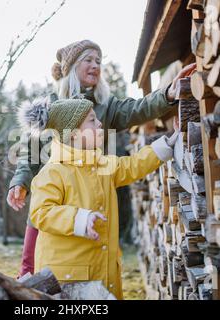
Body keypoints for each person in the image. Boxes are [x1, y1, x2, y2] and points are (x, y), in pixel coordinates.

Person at [8, 39, 196, 277]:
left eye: (98, 60)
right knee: (32, 271)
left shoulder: (106, 105)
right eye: (88, 59)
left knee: (96, 262)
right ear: (72, 66)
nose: (95, 65)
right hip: (56, 195)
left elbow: (137, 109)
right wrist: (20, 181)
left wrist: (168, 94)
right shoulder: (51, 106)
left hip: (93, 192)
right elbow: (30, 150)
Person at [17, 98, 178, 299]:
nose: (100, 123)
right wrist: (79, 219)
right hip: (68, 282)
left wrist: (166, 145)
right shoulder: (52, 172)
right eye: (92, 121)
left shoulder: (102, 166)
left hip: (103, 274)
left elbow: (133, 165)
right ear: (74, 134)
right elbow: (41, 212)